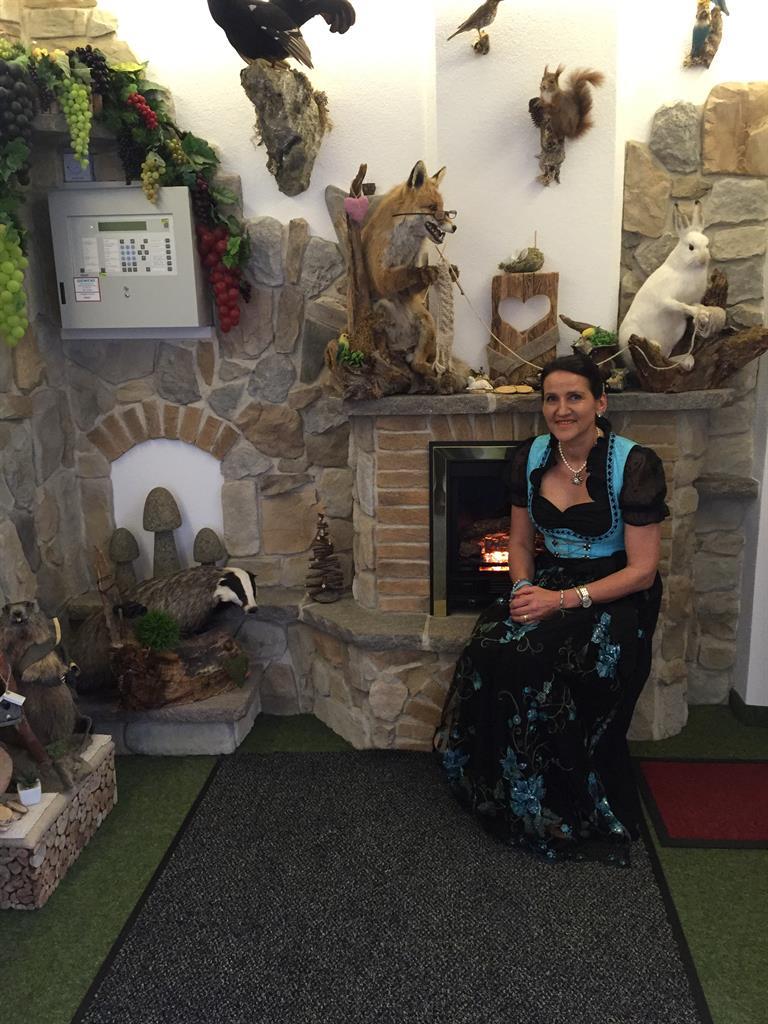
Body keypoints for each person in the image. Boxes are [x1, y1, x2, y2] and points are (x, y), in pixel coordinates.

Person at [435, 354, 668, 866]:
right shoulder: (532, 456)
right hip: (549, 579)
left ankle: (555, 798)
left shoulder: (635, 465)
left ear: (600, 403)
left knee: (534, 659)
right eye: (552, 399)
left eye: (575, 397)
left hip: (613, 593)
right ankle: (505, 783)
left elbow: (642, 571)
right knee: (487, 645)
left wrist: (559, 602)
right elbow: (520, 542)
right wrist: (523, 590)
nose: (562, 409)